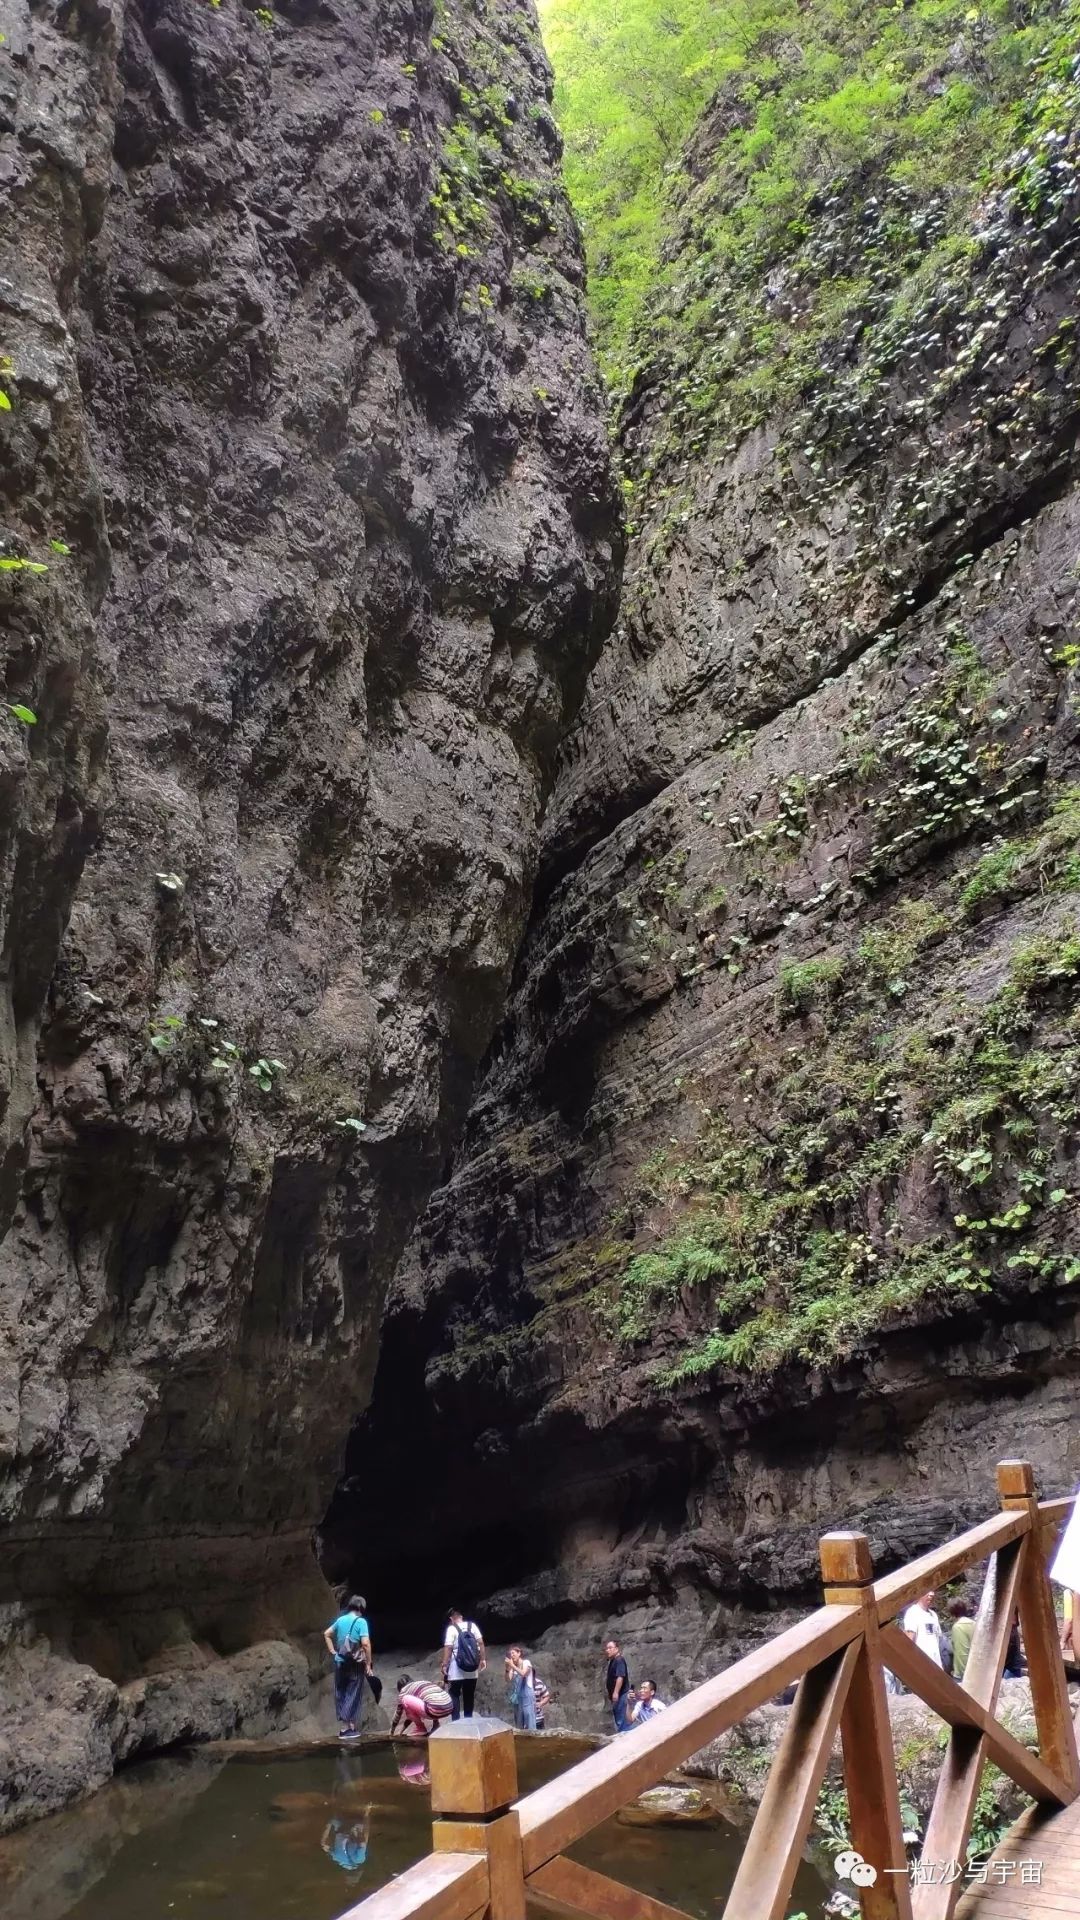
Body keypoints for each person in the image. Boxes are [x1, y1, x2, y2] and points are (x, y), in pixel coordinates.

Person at [323, 1593, 372, 1738]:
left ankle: (350, 1726)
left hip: (340, 1660)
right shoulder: (361, 1622)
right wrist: (368, 1663)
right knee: (353, 1691)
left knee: (341, 1691)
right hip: (355, 1663)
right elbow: (365, 1644)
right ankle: (346, 1729)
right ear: (361, 1607)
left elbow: (327, 1634)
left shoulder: (340, 1620)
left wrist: (333, 1651)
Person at [442, 1609, 486, 1720]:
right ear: (461, 1617)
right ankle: (469, 1721)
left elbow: (448, 1647)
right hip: (472, 1667)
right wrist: (483, 1659)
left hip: (456, 1669)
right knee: (469, 1695)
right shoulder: (473, 1626)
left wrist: (444, 1664)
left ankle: (456, 1722)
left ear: (451, 1619)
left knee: (454, 1694)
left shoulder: (451, 1628)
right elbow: (480, 1642)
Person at [902, 1590, 943, 1668]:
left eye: (933, 1591)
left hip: (937, 1664)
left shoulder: (933, 1615)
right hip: (922, 1665)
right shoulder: (913, 1612)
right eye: (928, 1591)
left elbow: (939, 1640)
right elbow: (908, 1640)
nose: (931, 1594)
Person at [505, 1645, 537, 1731]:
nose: (511, 1655)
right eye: (510, 1654)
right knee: (519, 1724)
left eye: (513, 1653)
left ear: (519, 1653)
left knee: (529, 1721)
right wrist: (507, 1668)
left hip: (527, 1697)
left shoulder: (526, 1662)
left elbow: (524, 1673)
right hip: (518, 1699)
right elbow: (508, 1679)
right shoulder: (512, 1667)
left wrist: (513, 1666)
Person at [604, 1638, 631, 1732]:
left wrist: (616, 1692)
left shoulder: (619, 1660)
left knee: (622, 1720)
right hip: (618, 1696)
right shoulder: (613, 1661)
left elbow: (620, 1676)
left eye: (610, 1648)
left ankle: (626, 1739)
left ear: (617, 1649)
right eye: (607, 1648)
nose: (608, 1650)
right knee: (619, 1720)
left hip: (621, 1695)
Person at [949, 1599, 975, 1681]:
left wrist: (963, 1675)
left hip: (963, 1675)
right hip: (976, 1670)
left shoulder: (958, 1627)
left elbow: (962, 1653)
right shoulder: (974, 1624)